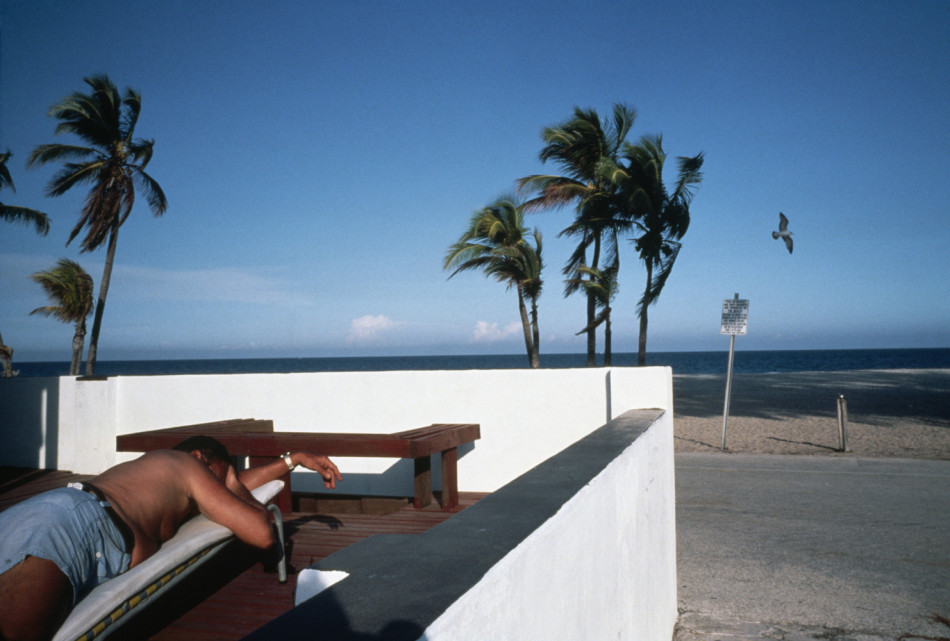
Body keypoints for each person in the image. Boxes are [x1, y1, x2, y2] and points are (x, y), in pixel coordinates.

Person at [0, 436, 341, 641]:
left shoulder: (160, 474)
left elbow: (235, 485)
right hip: (73, 526)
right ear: (199, 458)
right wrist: (234, 485)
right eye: (225, 477)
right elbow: (263, 533)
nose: (223, 491)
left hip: (45, 516)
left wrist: (292, 459)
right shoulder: (185, 464)